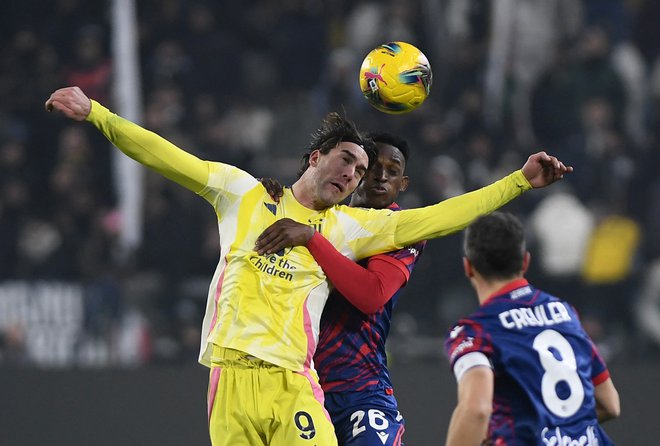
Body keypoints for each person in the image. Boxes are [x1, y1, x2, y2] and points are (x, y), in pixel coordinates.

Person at [45, 86, 571, 446]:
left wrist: (518, 181)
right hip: (228, 381)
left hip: (293, 383)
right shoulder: (243, 193)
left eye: (361, 169)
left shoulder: (350, 229)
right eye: (346, 159)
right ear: (316, 158)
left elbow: (440, 218)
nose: (354, 172)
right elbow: (165, 155)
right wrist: (97, 113)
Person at [259, 132, 425, 445]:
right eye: (374, 165)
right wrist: (263, 194)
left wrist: (311, 239)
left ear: (402, 184)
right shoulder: (318, 214)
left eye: (393, 170)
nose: (382, 175)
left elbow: (370, 296)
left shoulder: (400, 229)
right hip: (298, 387)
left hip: (359, 390)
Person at [443, 212, 620, 446]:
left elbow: (476, 409)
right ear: (525, 262)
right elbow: (610, 404)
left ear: (468, 267)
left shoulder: (475, 331)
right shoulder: (565, 313)